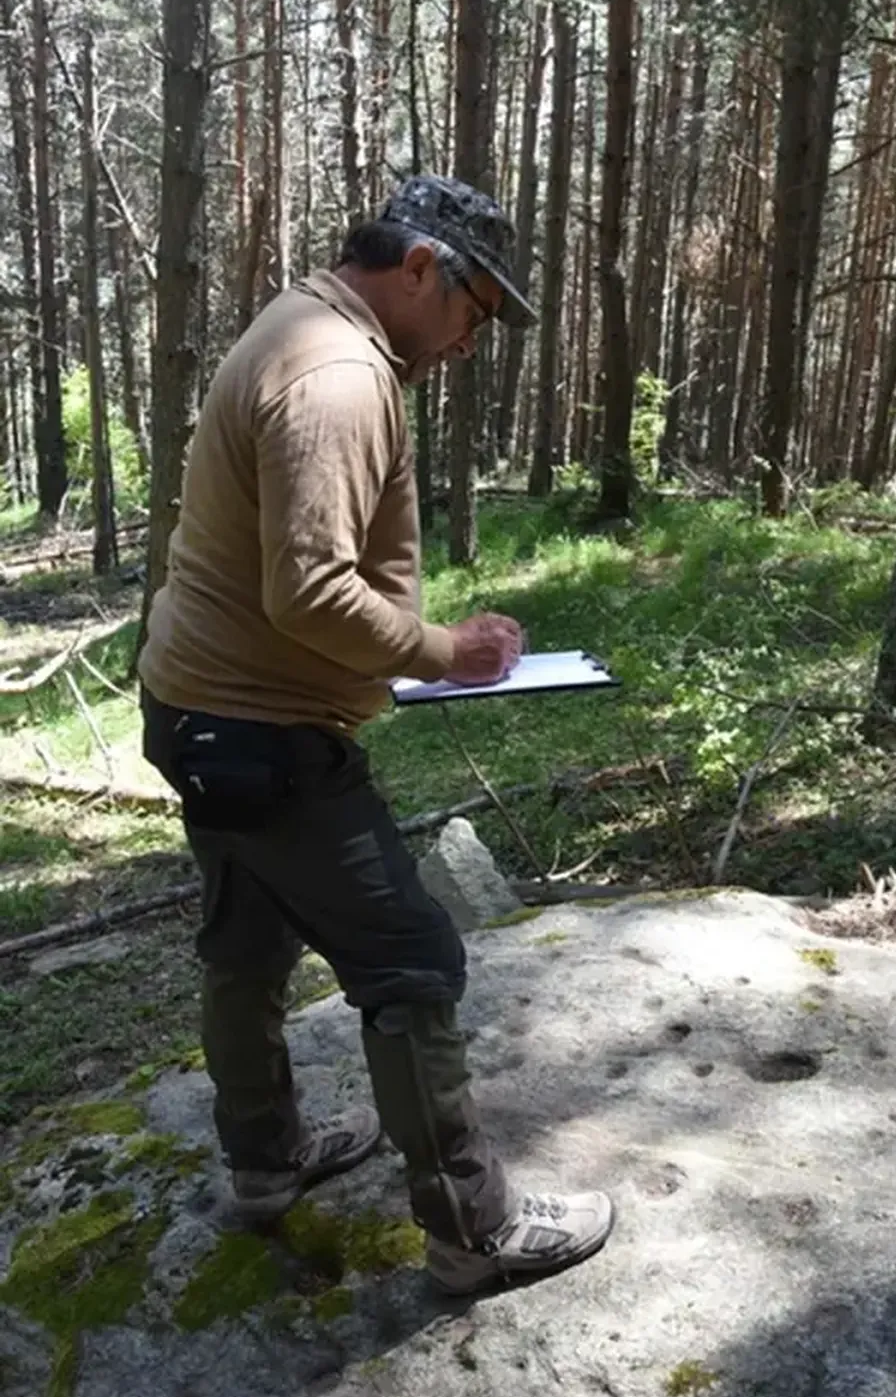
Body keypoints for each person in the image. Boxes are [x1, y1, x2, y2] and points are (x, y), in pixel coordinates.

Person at [139, 175, 614, 1295]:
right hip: (266, 736)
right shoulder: (341, 375)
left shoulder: (298, 323)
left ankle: (265, 1163)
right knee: (411, 958)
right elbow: (310, 590)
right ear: (418, 268)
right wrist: (447, 650)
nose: (472, 340)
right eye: (475, 308)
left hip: (200, 713)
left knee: (247, 944)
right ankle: (473, 1230)